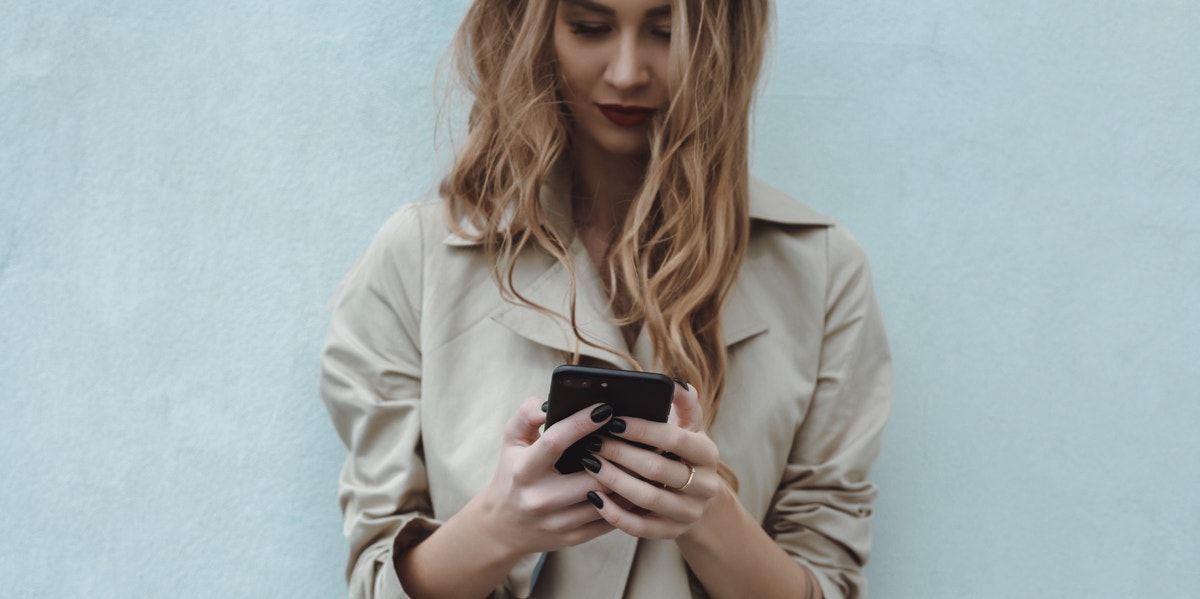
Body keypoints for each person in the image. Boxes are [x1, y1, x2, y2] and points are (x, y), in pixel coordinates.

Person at [320, 0, 892, 597]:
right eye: (589, 28)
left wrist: (709, 516)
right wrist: (499, 525)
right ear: (533, 29)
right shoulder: (418, 258)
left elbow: (827, 576)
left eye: (667, 32)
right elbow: (376, 579)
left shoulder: (820, 269)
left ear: (724, 42)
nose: (627, 72)